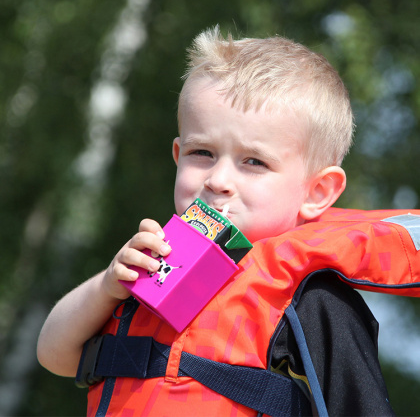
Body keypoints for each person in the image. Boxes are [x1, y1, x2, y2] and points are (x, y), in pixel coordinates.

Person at [37, 26, 395, 416]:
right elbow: (55, 355)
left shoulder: (315, 303)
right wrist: (109, 285)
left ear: (317, 192)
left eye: (253, 162)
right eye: (202, 152)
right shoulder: (154, 266)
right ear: (178, 155)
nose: (218, 180)